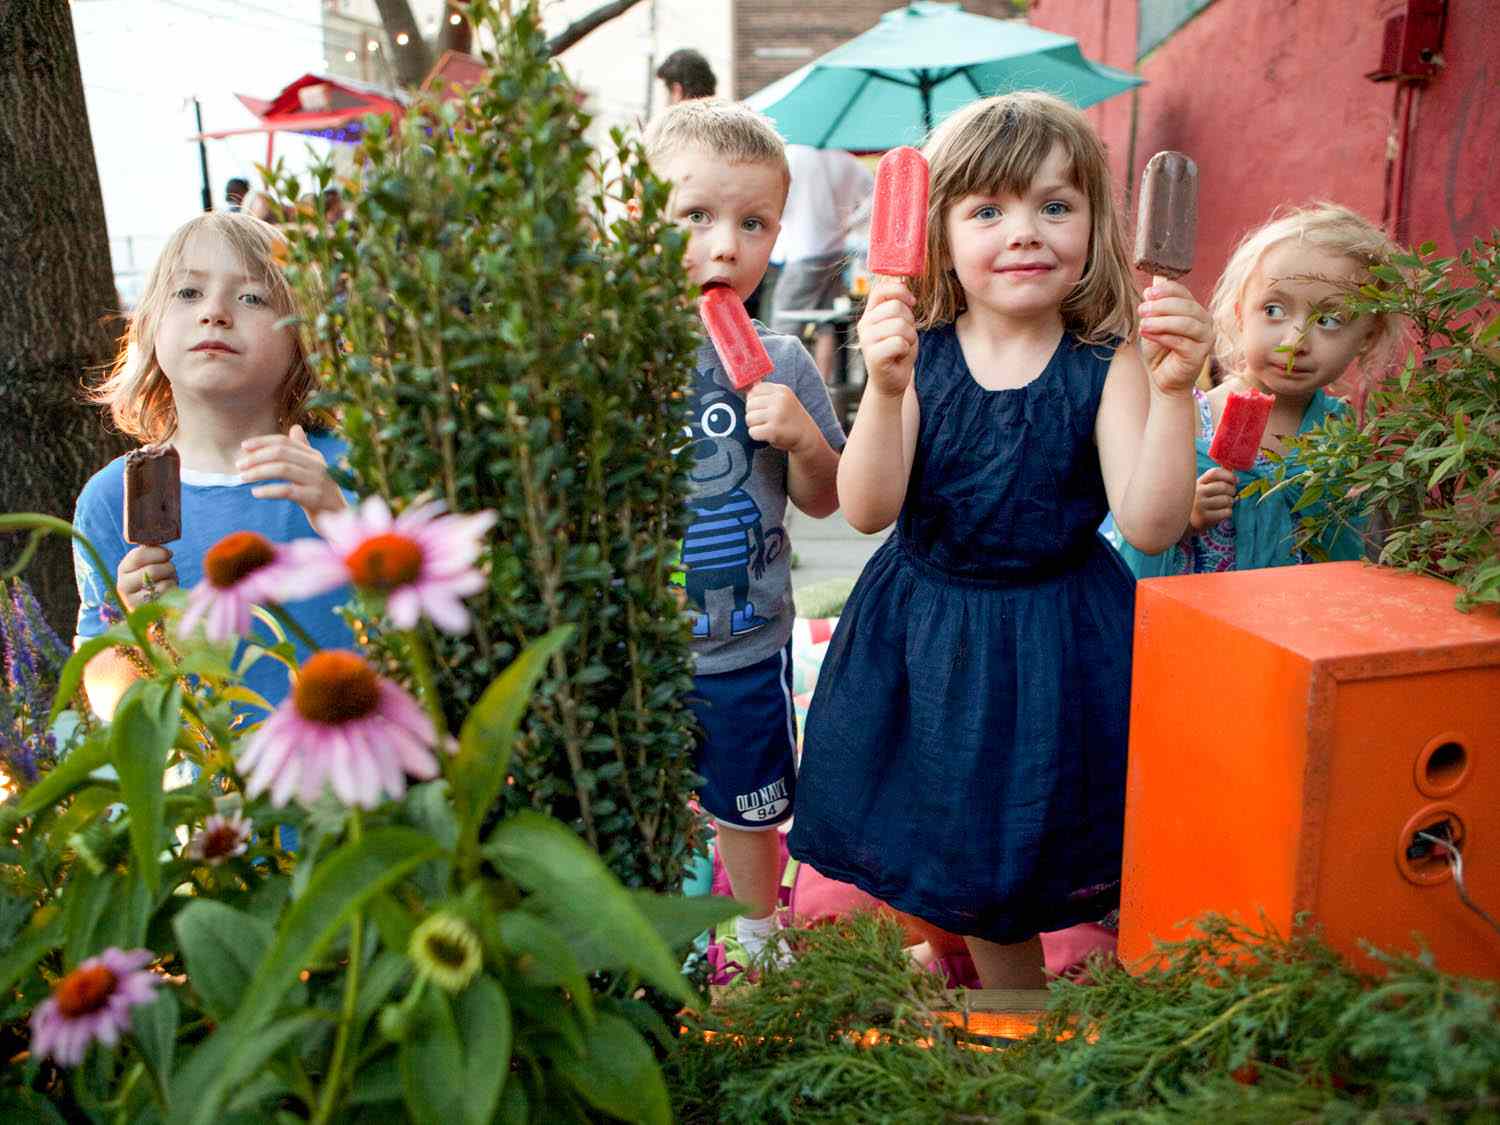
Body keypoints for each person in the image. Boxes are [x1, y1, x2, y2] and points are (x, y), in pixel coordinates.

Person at [787, 92, 1213, 989]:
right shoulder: (922, 353)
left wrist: (1177, 394)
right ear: (935, 233)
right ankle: (965, 959)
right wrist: (887, 388)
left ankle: (1020, 1015)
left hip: (1054, 640)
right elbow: (866, 509)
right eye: (989, 209)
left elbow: (1150, 521)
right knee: (936, 821)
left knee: (1017, 842)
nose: (1027, 231)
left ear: (1096, 224)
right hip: (926, 630)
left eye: (1056, 206)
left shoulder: (1109, 358)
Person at [643, 98, 845, 966]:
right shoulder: (614, 357)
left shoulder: (788, 359)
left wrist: (801, 434)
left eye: (753, 222)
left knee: (749, 806)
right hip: (640, 647)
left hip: (745, 643)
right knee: (645, 800)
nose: (726, 245)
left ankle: (761, 934)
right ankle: (658, 935)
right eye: (696, 217)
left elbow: (830, 498)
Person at [73, 212, 354, 721]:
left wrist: (338, 518)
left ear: (301, 337)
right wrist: (141, 630)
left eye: (252, 297)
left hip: (356, 778)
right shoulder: (113, 498)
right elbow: (108, 703)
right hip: (209, 791)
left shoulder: (348, 466)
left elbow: (419, 633)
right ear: (150, 325)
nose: (216, 313)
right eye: (187, 293)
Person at [1116, 202, 1402, 577]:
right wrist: (1186, 514)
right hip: (1195, 620)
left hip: (1291, 621)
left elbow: (1346, 549)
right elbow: (1137, 532)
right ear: (1239, 313)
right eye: (1273, 311)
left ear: (1368, 337)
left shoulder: (1339, 431)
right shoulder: (1186, 418)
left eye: (1329, 320)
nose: (1294, 341)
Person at [769, 145, 874, 381]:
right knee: (827, 325)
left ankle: (779, 389)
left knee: (782, 327)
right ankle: (824, 390)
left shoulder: (793, 156)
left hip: (803, 251)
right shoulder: (846, 160)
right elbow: (876, 197)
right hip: (835, 251)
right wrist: (848, 223)